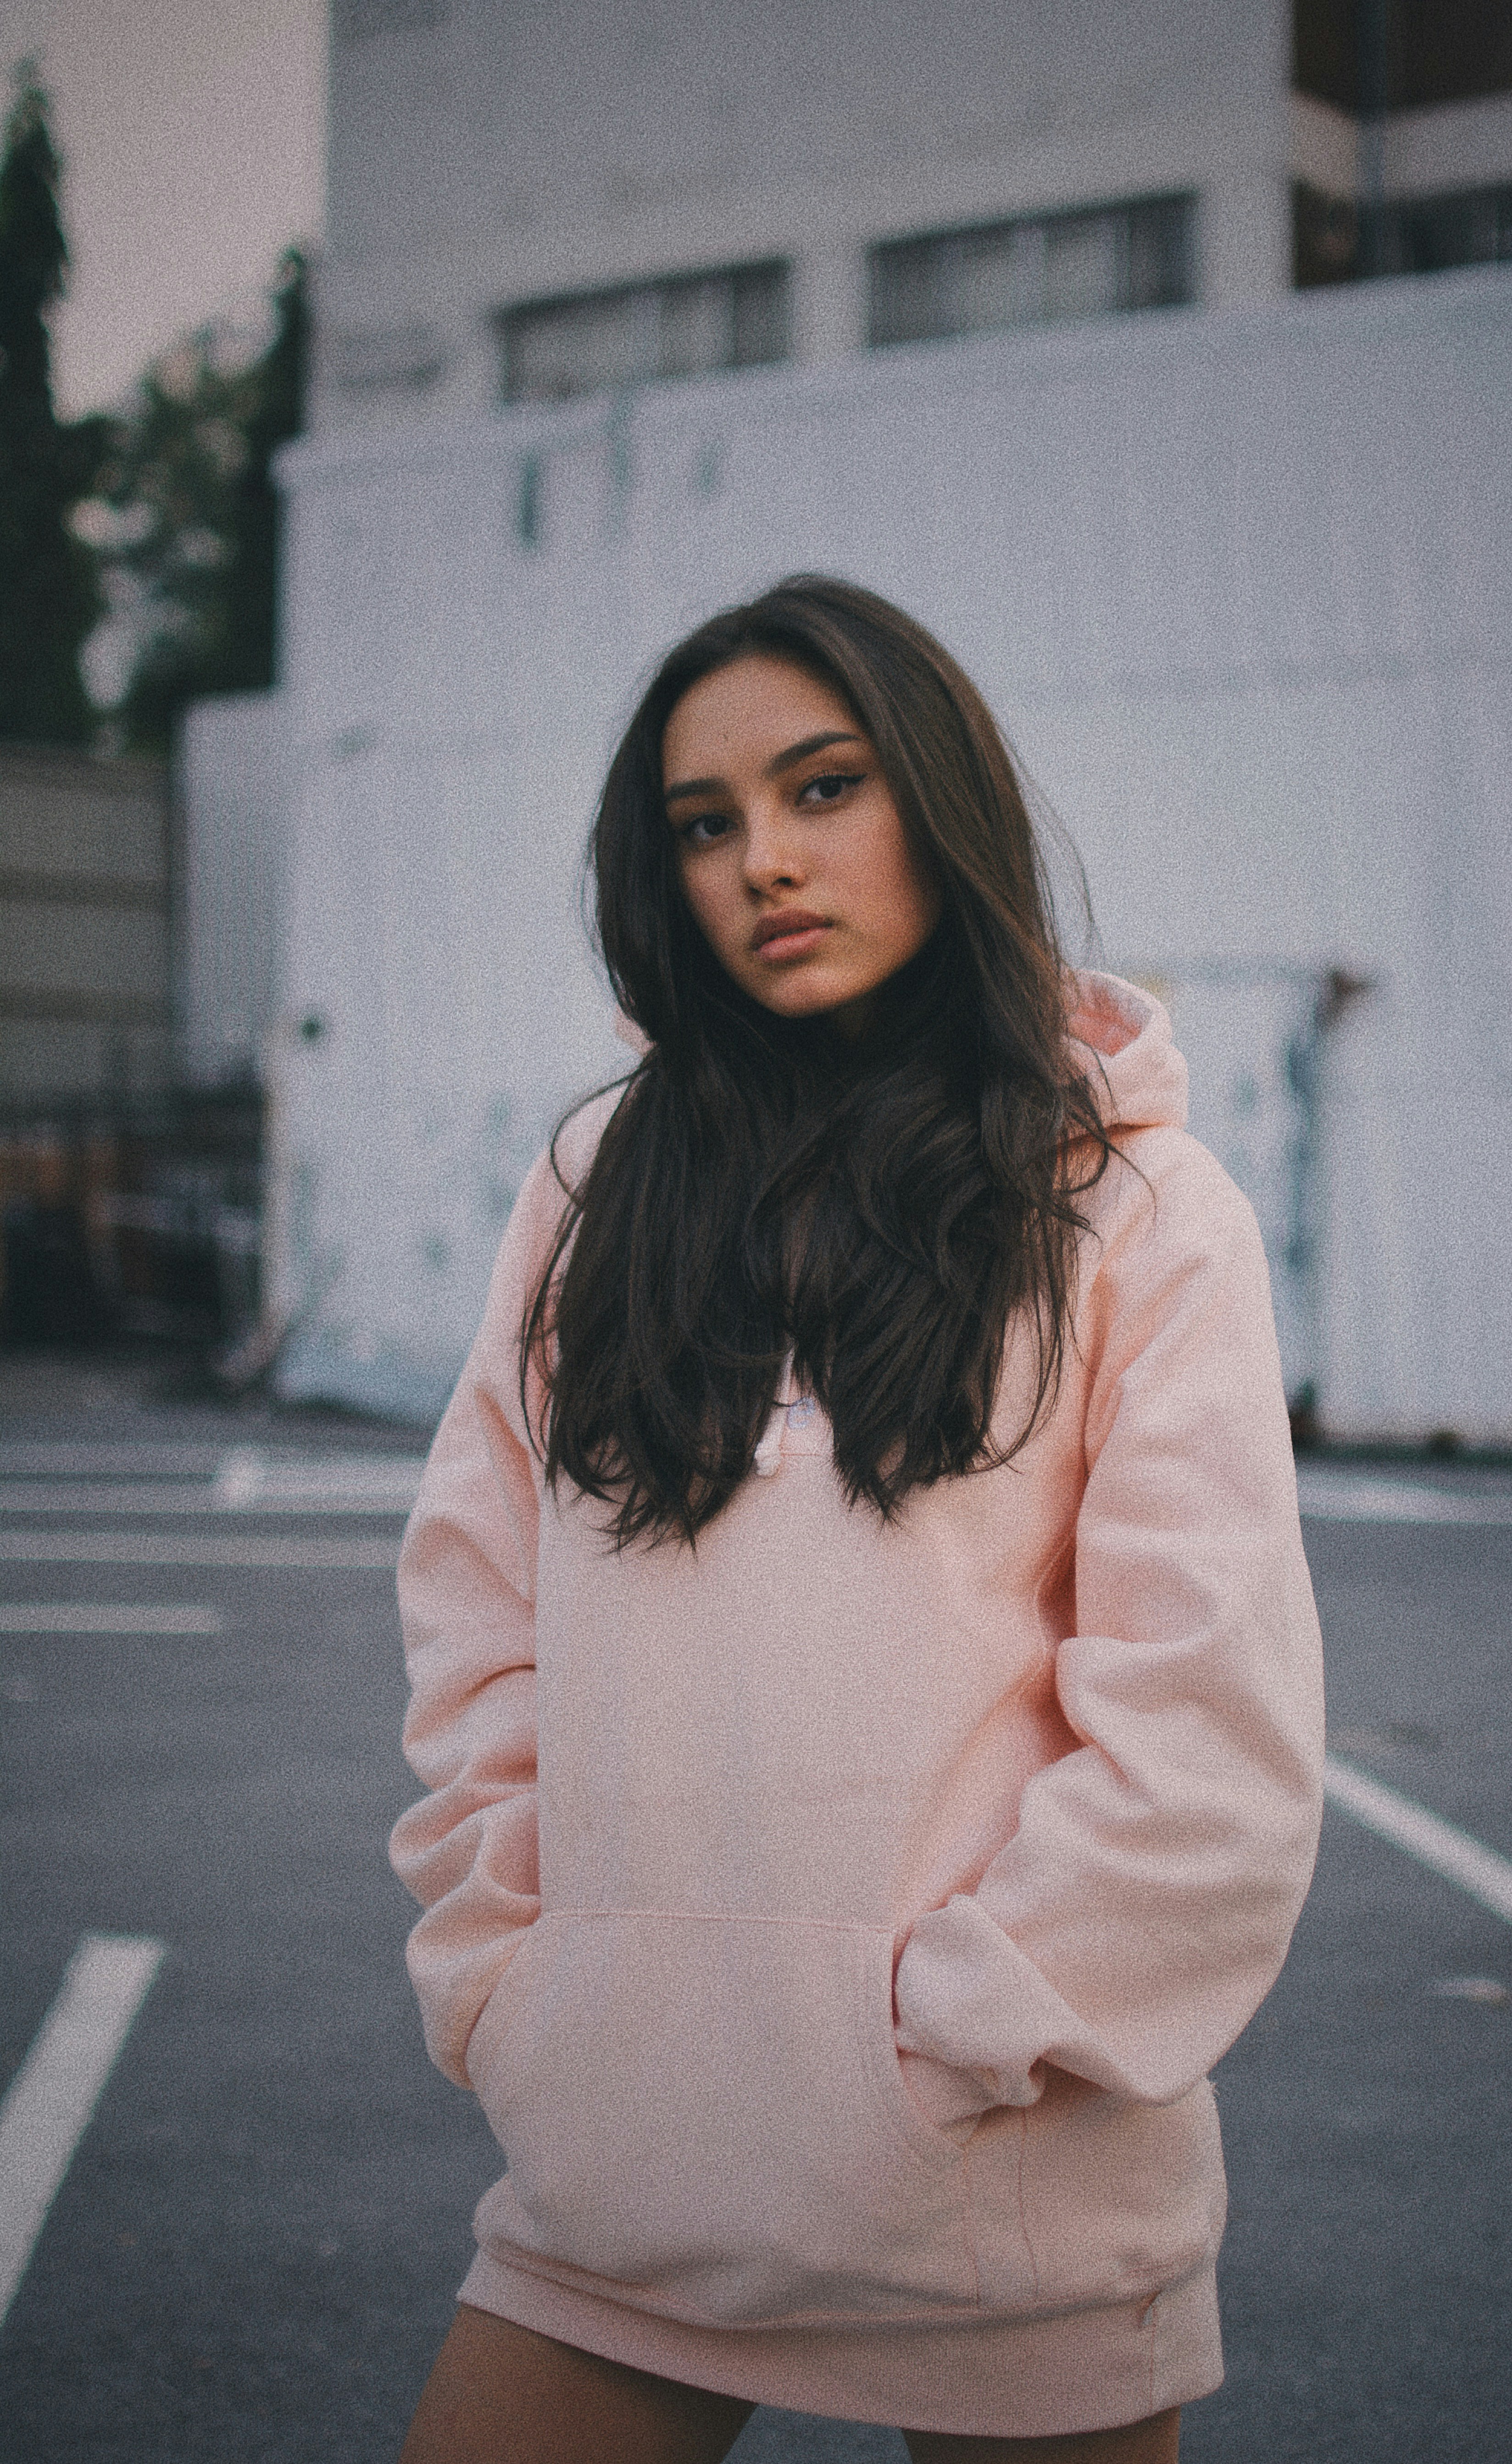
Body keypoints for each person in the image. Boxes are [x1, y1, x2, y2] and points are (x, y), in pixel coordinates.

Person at [389, 576, 1325, 2464]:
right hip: (626, 2170)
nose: (764, 864)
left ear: (936, 800)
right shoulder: (601, 1182)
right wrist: (517, 1982)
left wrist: (961, 2036)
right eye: (705, 824)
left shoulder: (1140, 1216)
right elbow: (478, 1615)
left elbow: (1203, 1742)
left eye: (823, 789)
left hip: (1005, 2203)